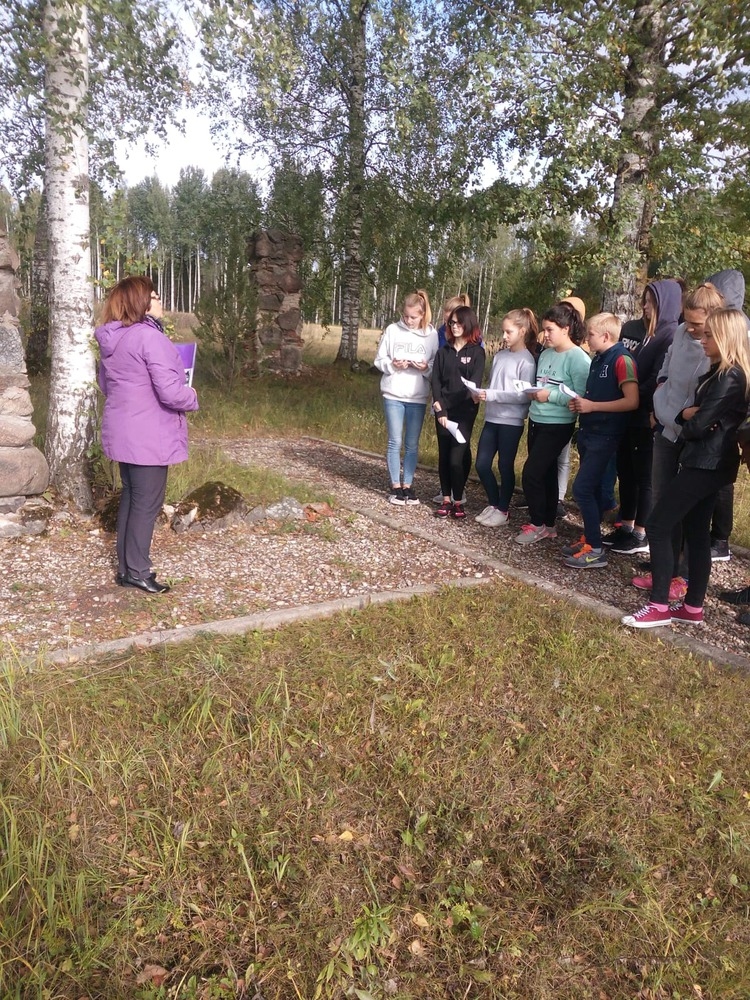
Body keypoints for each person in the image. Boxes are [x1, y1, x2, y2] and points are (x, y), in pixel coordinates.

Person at [622, 308, 750, 628]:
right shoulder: (720, 373)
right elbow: (700, 420)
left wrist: (685, 415)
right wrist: (690, 415)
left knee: (658, 524)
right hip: (707, 461)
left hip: (706, 463)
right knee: (696, 532)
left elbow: (696, 426)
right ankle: (692, 607)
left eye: (709, 335)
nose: (702, 340)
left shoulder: (729, 376)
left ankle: (659, 605)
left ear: (726, 338)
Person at [96, 275, 199, 593]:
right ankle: (139, 571)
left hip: (124, 432)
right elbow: (171, 392)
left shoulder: (113, 339)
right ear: (141, 303)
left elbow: (105, 385)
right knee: (146, 504)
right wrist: (192, 395)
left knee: (132, 499)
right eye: (155, 296)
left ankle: (127, 570)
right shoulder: (150, 338)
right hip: (148, 435)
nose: (160, 301)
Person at [605, 278, 683, 555]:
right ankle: (626, 525)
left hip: (645, 414)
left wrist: (630, 393)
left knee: (643, 476)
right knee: (626, 471)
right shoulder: (646, 333)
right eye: (645, 301)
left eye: (651, 302)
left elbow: (656, 377)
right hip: (629, 410)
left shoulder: (669, 335)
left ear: (665, 304)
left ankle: (641, 532)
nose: (645, 307)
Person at [563, 313, 639, 568]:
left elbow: (632, 401)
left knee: (582, 489)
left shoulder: (622, 360)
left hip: (606, 434)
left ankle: (596, 550)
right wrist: (581, 404)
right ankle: (589, 538)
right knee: (592, 489)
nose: (587, 339)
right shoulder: (598, 358)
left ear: (606, 336)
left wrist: (593, 406)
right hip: (589, 431)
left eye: (591, 335)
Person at [515, 301, 590, 545]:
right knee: (546, 475)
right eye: (544, 329)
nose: (545, 335)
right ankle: (548, 525)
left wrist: (550, 396)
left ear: (566, 329)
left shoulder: (578, 358)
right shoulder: (546, 354)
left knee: (531, 474)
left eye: (550, 330)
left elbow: (580, 395)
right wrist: (532, 392)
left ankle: (536, 523)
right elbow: (543, 384)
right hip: (537, 419)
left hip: (558, 424)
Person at [471, 309, 537, 527]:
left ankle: (503, 509)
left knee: (505, 465)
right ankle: (494, 503)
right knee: (482, 464)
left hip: (511, 422)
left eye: (509, 332)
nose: (504, 336)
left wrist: (491, 395)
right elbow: (494, 385)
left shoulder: (527, 361)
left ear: (522, 331)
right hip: (492, 418)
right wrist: (481, 393)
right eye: (503, 331)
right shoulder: (500, 356)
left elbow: (523, 396)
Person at [373, 290, 438, 505]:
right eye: (406, 316)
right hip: (393, 394)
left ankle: (408, 484)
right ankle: (395, 485)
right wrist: (393, 365)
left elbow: (435, 367)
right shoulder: (393, 330)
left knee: (412, 443)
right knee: (395, 441)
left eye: (413, 317)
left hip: (417, 397)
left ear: (422, 315)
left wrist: (425, 368)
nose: (409, 321)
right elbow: (379, 360)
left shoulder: (431, 335)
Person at [431, 305, 486, 519]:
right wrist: (440, 409)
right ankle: (446, 499)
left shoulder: (477, 352)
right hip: (443, 412)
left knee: (456, 458)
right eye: (451, 323)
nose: (454, 326)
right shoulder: (443, 352)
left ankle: (458, 499)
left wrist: (456, 404)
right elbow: (436, 382)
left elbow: (474, 384)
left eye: (459, 323)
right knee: (444, 456)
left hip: (464, 413)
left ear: (468, 324)